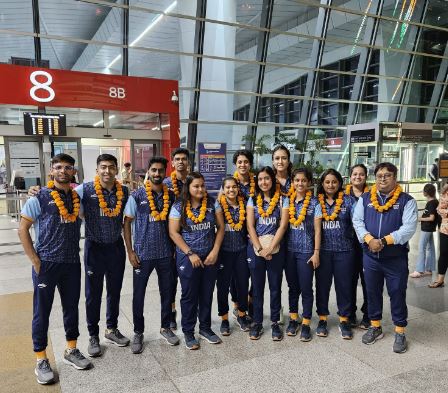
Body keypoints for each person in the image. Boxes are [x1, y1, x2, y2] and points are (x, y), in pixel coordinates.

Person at [27, 155, 131, 357]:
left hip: (116, 247)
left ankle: (111, 329)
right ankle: (93, 335)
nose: (107, 171)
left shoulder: (124, 192)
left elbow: (131, 217)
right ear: (97, 169)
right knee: (93, 294)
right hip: (94, 247)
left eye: (111, 167)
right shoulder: (84, 190)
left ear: (117, 169)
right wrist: (37, 191)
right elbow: (62, 195)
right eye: (103, 167)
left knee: (115, 291)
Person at [18, 154, 91, 385]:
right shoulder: (38, 197)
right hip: (46, 264)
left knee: (71, 308)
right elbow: (23, 229)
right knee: (42, 312)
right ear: (51, 171)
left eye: (68, 167)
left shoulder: (77, 196)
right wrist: (35, 261)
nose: (63, 171)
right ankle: (40, 358)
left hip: (71, 263)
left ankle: (71, 349)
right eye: (58, 167)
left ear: (73, 172)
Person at [353, 162, 418, 354]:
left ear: (395, 177)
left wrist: (384, 240)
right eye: (379, 175)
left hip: (395, 257)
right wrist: (369, 239)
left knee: (397, 292)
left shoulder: (407, 201)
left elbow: (408, 229)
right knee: (372, 292)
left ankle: (400, 330)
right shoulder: (365, 199)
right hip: (370, 257)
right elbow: (357, 221)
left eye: (387, 175)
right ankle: (375, 326)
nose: (383, 178)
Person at [123, 157, 179, 353]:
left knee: (167, 292)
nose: (157, 174)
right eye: (154, 170)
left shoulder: (171, 196)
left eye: (160, 171)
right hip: (142, 254)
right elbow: (127, 223)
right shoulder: (137, 196)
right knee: (138, 295)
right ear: (148, 171)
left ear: (165, 173)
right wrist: (130, 251)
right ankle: (138, 332)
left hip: (166, 253)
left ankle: (166, 327)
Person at [168, 172, 225, 350]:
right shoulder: (179, 206)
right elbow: (173, 232)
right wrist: (190, 253)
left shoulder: (212, 203)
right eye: (196, 186)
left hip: (210, 257)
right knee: (189, 295)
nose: (200, 189)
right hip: (188, 257)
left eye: (202, 185)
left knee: (206, 293)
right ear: (189, 188)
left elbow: (221, 227)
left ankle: (206, 328)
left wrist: (215, 251)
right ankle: (188, 331)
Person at [246, 166, 289, 341]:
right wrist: (260, 249)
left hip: (276, 249)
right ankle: (257, 322)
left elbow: (283, 225)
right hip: (257, 249)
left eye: (267, 178)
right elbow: (250, 225)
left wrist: (270, 248)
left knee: (275, 287)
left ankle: (274, 322)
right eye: (260, 179)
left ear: (273, 180)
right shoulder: (252, 200)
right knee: (257, 288)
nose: (264, 182)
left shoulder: (282, 200)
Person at [315, 169, 356, 340]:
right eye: (327, 182)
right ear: (322, 184)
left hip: (345, 251)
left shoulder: (349, 201)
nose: (330, 185)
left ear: (339, 183)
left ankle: (344, 319)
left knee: (344, 286)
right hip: (323, 252)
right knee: (322, 286)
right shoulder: (316, 202)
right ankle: (322, 318)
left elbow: (358, 223)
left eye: (334, 182)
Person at [286, 167, 322, 341]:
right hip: (289, 251)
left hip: (307, 252)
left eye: (303, 180)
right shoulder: (288, 201)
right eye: (296, 180)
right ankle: (294, 318)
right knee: (293, 287)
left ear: (309, 183)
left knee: (306, 288)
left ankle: (306, 321)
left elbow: (317, 230)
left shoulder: (315, 203)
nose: (300, 183)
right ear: (292, 182)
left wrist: (316, 253)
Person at [216, 176, 251, 335]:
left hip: (241, 251)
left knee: (243, 284)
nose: (231, 190)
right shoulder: (218, 206)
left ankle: (242, 314)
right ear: (223, 189)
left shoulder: (244, 204)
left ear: (238, 188)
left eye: (234, 187)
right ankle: (224, 319)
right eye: (228, 187)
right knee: (223, 286)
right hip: (224, 252)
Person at [163, 147, 190, 330]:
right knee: (171, 279)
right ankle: (171, 313)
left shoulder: (193, 180)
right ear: (172, 163)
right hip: (169, 234)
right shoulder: (165, 183)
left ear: (188, 162)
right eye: (177, 159)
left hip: (190, 233)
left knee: (188, 277)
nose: (180, 161)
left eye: (183, 159)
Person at [272, 145, 295, 329]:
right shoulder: (267, 180)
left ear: (288, 160)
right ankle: (276, 308)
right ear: (273, 161)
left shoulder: (296, 180)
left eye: (284, 158)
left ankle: (294, 311)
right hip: (272, 234)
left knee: (293, 276)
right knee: (275, 276)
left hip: (295, 234)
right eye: (277, 158)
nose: (280, 161)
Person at [230, 149, 255, 318]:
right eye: (239, 162)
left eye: (246, 162)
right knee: (236, 273)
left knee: (254, 270)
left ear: (250, 164)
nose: (243, 165)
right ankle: (237, 303)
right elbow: (222, 201)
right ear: (235, 164)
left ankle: (250, 300)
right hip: (236, 234)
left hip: (255, 233)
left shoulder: (258, 182)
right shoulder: (231, 183)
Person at [346, 164, 370, 329]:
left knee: (368, 280)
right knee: (349, 280)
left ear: (366, 177)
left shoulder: (372, 196)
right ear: (350, 177)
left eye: (361, 174)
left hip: (367, 243)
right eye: (355, 174)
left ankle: (369, 313)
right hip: (347, 244)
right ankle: (350, 312)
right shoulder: (343, 195)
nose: (358, 177)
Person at [410, 184, 438, 278]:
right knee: (430, 248)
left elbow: (431, 218)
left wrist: (419, 219)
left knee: (422, 248)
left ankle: (419, 270)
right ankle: (429, 269)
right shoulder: (433, 202)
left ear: (426, 192)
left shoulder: (431, 203)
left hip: (427, 228)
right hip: (428, 228)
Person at [429, 184, 448, 288]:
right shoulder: (446, 193)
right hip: (446, 228)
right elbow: (439, 209)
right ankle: (440, 280)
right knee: (444, 253)